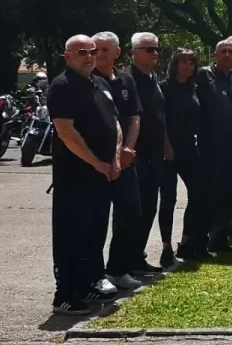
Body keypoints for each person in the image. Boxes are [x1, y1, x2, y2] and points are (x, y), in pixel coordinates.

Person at [47, 35, 122, 314]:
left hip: (102, 175)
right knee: (71, 236)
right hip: (74, 177)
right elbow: (66, 131)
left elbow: (115, 122)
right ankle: (65, 294)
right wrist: (95, 162)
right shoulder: (63, 85)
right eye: (82, 52)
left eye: (92, 51)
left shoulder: (99, 83)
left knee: (94, 234)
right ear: (67, 56)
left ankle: (89, 282)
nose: (89, 56)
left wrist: (114, 158)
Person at [93, 31, 145, 289]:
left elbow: (135, 117)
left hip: (125, 160)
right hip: (98, 163)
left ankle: (117, 269)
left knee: (130, 213)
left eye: (105, 50)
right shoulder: (89, 80)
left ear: (117, 52)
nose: (99, 55)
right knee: (97, 220)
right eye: (95, 50)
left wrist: (127, 149)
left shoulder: (125, 80)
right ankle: (95, 275)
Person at [196, 38, 232, 253]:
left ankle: (222, 239)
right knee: (213, 193)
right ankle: (205, 239)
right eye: (222, 51)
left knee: (231, 191)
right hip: (212, 147)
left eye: (231, 51)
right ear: (215, 55)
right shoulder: (204, 76)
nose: (227, 55)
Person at [129, 32, 171, 270]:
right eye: (149, 49)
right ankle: (125, 261)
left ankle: (138, 256)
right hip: (137, 155)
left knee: (149, 208)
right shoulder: (128, 80)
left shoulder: (154, 79)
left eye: (156, 49)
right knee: (133, 211)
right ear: (134, 53)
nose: (155, 53)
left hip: (155, 154)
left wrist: (165, 144)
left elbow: (160, 116)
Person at [165, 49, 208, 260]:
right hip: (168, 149)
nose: (188, 67)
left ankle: (186, 241)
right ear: (175, 64)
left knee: (199, 193)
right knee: (168, 199)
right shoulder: (164, 88)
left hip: (189, 147)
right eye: (184, 62)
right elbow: (160, 120)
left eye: (192, 63)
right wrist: (166, 145)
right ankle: (166, 247)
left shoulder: (193, 88)